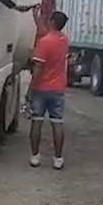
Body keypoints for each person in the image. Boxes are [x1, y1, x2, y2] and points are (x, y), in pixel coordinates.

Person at [28, 11, 70, 170]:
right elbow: (47, 33)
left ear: (52, 21)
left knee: (37, 122)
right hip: (58, 89)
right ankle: (58, 158)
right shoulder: (63, 40)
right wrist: (36, 18)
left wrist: (31, 89)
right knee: (57, 123)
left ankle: (35, 156)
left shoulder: (44, 42)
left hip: (41, 88)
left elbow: (38, 68)